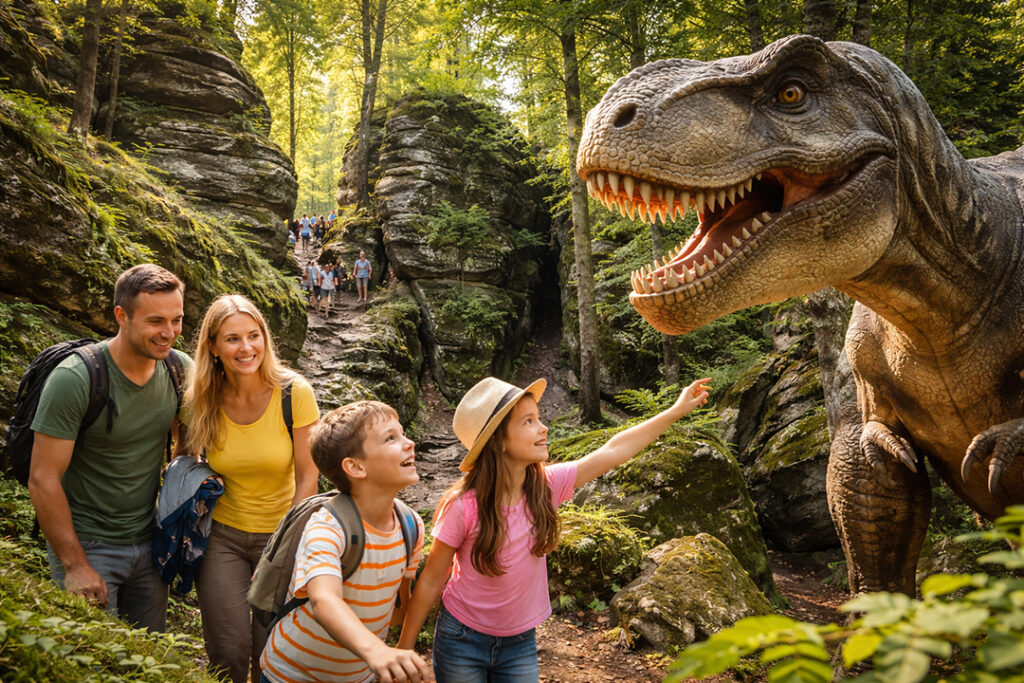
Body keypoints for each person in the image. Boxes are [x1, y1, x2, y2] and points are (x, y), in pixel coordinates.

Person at [398, 375, 712, 681]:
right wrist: (404, 650)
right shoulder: (463, 506)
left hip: (519, 642)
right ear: (498, 442)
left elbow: (614, 451)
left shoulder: (547, 485)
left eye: (538, 418)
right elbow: (431, 580)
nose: (543, 427)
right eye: (528, 422)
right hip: (461, 638)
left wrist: (675, 410)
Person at [28, 264, 192, 631]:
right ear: (122, 316)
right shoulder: (75, 378)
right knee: (91, 656)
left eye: (176, 320)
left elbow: (196, 440)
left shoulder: (179, 371)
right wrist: (75, 565)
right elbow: (42, 479)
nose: (169, 333)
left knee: (149, 655)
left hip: (150, 543)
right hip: (87, 543)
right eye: (156, 321)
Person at [181, 294, 321, 683]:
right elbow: (187, 462)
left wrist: (283, 546)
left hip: (280, 539)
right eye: (232, 339)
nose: (246, 348)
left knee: (271, 650)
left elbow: (308, 477)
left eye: (254, 336)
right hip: (222, 536)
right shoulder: (201, 398)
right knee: (227, 649)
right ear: (213, 347)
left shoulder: (294, 393)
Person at [260, 401, 429, 683]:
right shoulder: (327, 526)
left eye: (402, 434)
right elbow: (324, 599)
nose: (409, 443)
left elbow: (397, 609)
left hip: (358, 677)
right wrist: (376, 650)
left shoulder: (411, 525)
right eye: (391, 438)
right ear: (355, 467)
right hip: (290, 675)